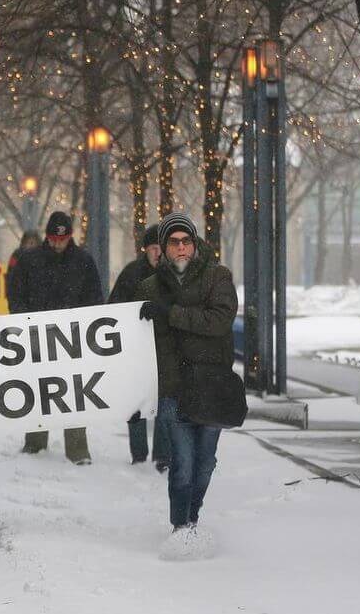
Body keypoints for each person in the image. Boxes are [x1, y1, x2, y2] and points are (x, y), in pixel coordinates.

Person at [135, 212, 238, 557]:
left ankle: (192, 516)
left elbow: (220, 321)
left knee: (204, 462)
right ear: (162, 249)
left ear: (194, 244)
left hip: (211, 386)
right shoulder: (149, 288)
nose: (181, 248)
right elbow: (139, 341)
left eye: (186, 241)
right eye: (174, 242)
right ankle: (182, 526)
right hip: (173, 389)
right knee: (182, 463)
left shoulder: (217, 277)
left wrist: (172, 314)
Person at [8, 211, 103, 465]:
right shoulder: (30, 261)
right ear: (47, 237)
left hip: (72, 338)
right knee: (39, 390)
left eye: (62, 239)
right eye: (54, 239)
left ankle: (77, 449)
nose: (58, 243)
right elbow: (16, 296)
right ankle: (35, 443)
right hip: (37, 337)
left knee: (73, 391)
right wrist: (26, 322)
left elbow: (94, 298)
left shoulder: (83, 260)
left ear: (69, 237)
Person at [109, 224, 170, 471]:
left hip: (165, 350)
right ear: (145, 250)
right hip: (136, 350)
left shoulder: (174, 276)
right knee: (136, 402)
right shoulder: (131, 274)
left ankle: (163, 455)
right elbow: (113, 307)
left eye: (160, 248)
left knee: (165, 403)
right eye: (153, 248)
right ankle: (138, 453)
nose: (157, 253)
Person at [5, 230, 41, 305]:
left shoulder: (43, 256)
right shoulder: (17, 255)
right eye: (29, 243)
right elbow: (10, 276)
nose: (31, 246)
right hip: (20, 295)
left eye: (33, 243)